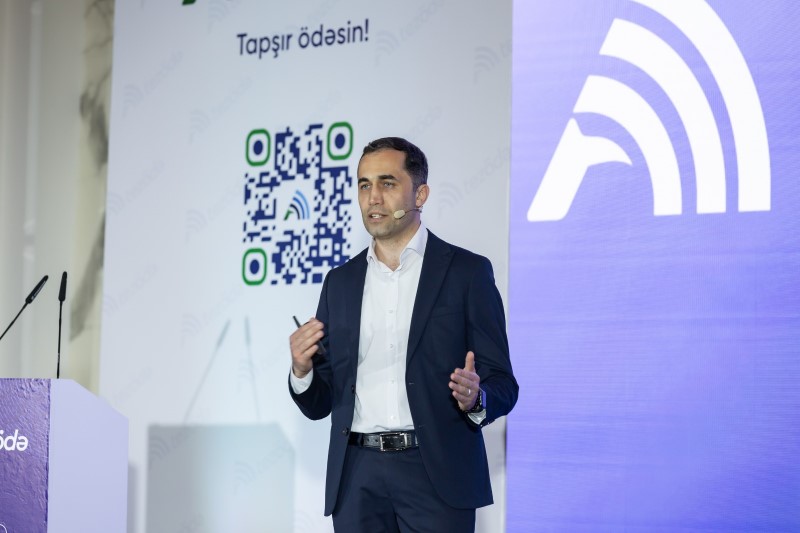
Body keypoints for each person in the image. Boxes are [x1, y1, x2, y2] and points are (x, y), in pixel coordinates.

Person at [289, 137, 518, 532]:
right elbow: (321, 402)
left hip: (436, 474)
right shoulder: (339, 282)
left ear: (420, 194)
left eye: (388, 183)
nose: (373, 197)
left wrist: (476, 397)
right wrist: (301, 370)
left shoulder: (466, 273)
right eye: (364, 185)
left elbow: (503, 383)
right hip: (357, 477)